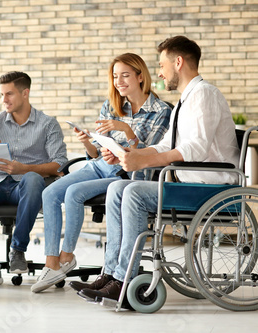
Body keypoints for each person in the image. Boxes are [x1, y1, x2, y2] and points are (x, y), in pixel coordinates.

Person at [74, 36, 240, 302]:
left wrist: (144, 162)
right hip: (191, 185)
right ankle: (112, 273)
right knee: (118, 187)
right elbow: (165, 144)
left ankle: (123, 279)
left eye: (162, 65)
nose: (160, 73)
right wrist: (130, 154)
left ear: (178, 62)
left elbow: (195, 148)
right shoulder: (185, 102)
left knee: (135, 192)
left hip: (212, 189)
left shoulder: (204, 94)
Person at [31, 53, 172, 293]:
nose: (119, 81)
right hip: (98, 167)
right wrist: (88, 142)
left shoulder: (160, 110)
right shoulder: (112, 105)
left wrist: (126, 129)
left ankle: (66, 258)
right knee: (50, 193)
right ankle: (52, 262)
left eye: (125, 75)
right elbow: (96, 153)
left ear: (140, 76)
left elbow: (148, 154)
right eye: (115, 76)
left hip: (124, 175)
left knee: (74, 192)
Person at [0, 71, 68, 287]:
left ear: (25, 93)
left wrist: (24, 168)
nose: (4, 100)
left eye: (9, 94)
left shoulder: (47, 124)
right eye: (1, 94)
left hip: (27, 187)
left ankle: (18, 249)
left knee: (33, 178)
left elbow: (59, 163)